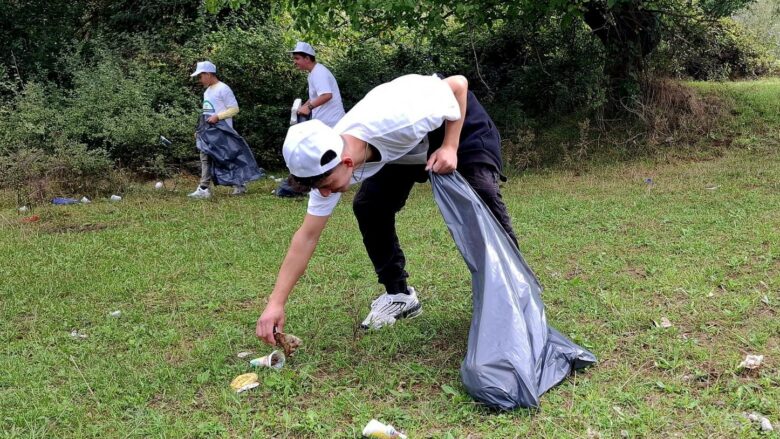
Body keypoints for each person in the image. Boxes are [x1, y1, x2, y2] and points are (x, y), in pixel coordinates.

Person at [256, 73, 519, 345]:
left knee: (482, 197)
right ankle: (399, 295)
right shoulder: (325, 163)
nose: (325, 193)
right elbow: (306, 236)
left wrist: (450, 147)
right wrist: (276, 302)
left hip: (455, 123)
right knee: (370, 206)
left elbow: (458, 85)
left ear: (347, 162)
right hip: (403, 151)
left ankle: (513, 294)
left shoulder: (400, 119)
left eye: (326, 185)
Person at [188, 61, 247, 198]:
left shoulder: (223, 88)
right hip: (209, 132)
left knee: (227, 158)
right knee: (205, 156)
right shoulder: (207, 91)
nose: (199, 79)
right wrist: (200, 129)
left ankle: (240, 185)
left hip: (223, 131)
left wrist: (218, 117)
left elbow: (234, 109)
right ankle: (204, 188)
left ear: (208, 74)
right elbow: (206, 112)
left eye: (200, 76)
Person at [289, 41, 345, 128]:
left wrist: (308, 108)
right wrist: (303, 107)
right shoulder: (313, 72)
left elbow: (327, 95)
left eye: (297, 58)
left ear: (307, 58)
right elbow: (315, 97)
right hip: (325, 122)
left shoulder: (319, 72)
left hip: (332, 123)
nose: (294, 62)